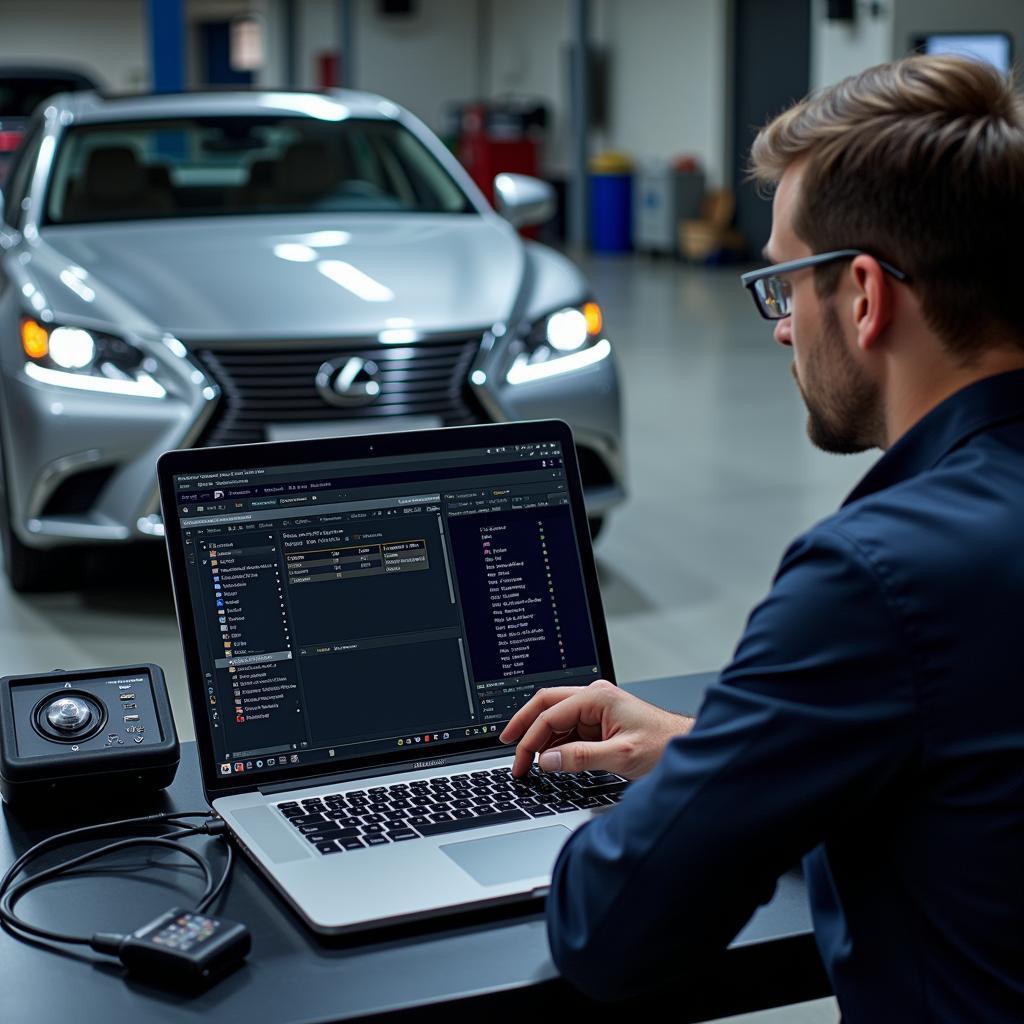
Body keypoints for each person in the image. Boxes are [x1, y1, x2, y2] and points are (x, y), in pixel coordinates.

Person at [499, 54, 1024, 1021]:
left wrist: (699, 797)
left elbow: (608, 933)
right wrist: (726, 752)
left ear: (864, 296)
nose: (781, 328)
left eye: (785, 282)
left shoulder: (880, 574)